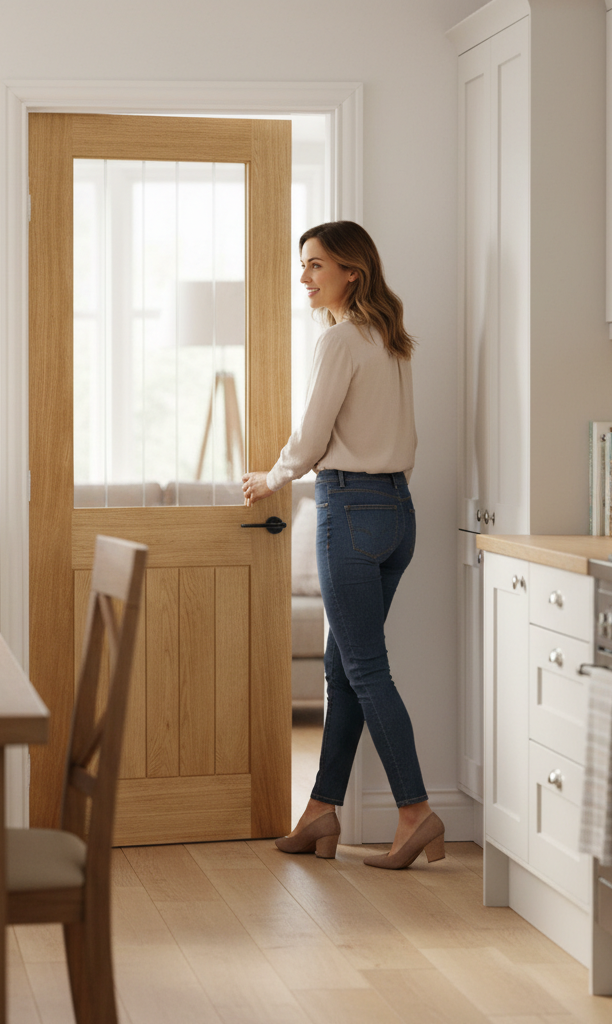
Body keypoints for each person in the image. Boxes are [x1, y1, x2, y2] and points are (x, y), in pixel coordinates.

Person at [241, 220, 444, 870]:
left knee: (362, 670)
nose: (305, 277)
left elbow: (310, 435)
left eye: (316, 266)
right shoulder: (391, 337)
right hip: (396, 511)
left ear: (350, 271)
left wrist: (270, 477)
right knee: (342, 669)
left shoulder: (338, 341)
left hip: (349, 509)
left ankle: (416, 813)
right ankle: (321, 812)